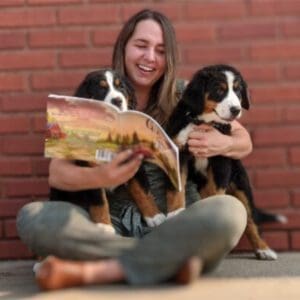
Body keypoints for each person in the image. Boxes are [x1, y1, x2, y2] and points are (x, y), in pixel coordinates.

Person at [17, 9, 252, 290]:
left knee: (229, 213)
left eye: (161, 50)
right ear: (124, 47)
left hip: (175, 221)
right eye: (141, 46)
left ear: (169, 58)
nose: (150, 57)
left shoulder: (186, 93)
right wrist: (100, 178)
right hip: (105, 225)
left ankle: (94, 270)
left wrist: (224, 143)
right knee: (34, 218)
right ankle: (164, 263)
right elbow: (57, 175)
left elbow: (243, 141)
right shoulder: (93, 93)